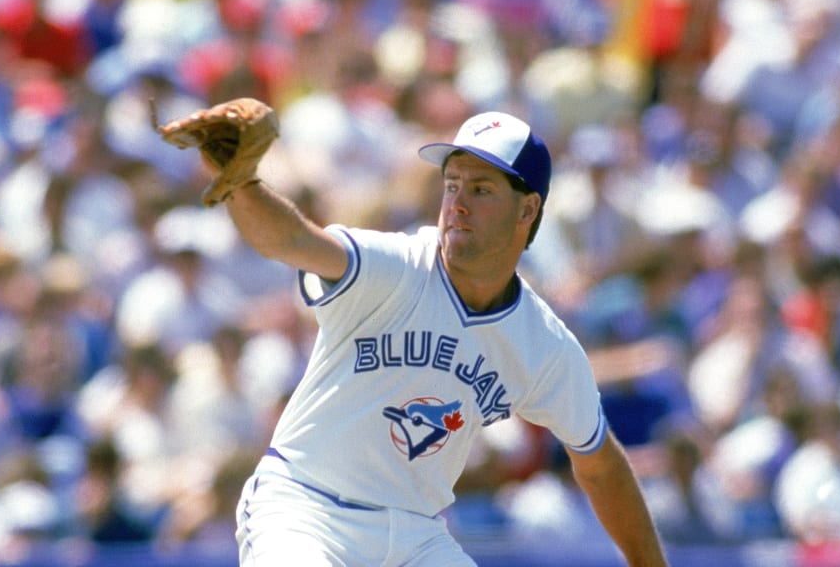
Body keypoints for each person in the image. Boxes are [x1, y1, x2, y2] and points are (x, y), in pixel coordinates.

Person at [212, 109, 668, 565]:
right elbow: (290, 239)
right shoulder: (394, 266)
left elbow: (600, 463)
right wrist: (242, 183)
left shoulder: (543, 344)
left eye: (482, 189)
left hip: (415, 532)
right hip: (306, 506)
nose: (458, 202)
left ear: (527, 209)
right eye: (452, 185)